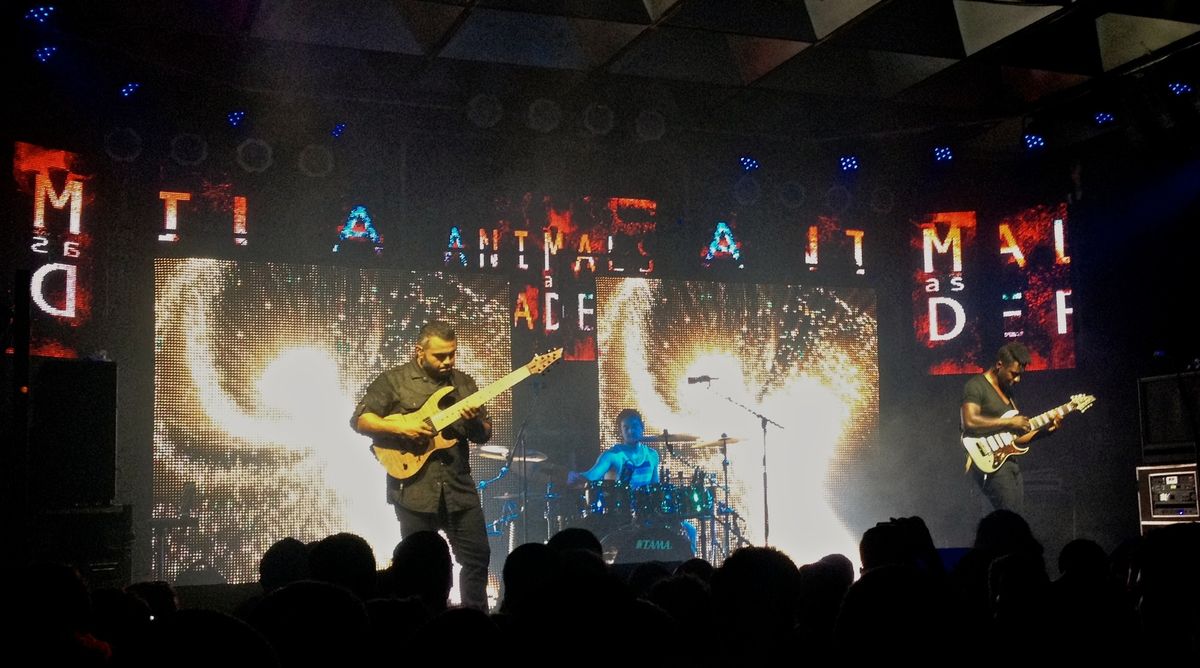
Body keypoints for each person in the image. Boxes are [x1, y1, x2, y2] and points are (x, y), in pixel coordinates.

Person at [351, 320, 492, 610]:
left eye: (452, 354)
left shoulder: (463, 383)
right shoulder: (395, 381)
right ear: (419, 352)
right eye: (440, 356)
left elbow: (483, 434)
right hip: (414, 490)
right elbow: (360, 420)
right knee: (418, 569)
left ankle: (475, 624)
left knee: (477, 559)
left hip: (459, 489)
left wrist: (473, 421)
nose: (448, 361)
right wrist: (401, 430)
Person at [568, 409, 697, 553]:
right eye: (626, 428)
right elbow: (590, 477)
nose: (630, 431)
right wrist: (571, 476)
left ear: (642, 427)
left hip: (647, 513)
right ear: (620, 431)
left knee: (689, 530)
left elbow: (655, 487)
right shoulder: (612, 455)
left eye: (634, 426)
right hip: (619, 514)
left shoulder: (652, 455)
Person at [960, 342, 1060, 514]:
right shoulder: (976, 386)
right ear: (999, 365)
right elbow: (969, 422)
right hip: (992, 464)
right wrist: (1009, 422)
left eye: (1020, 375)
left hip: (1011, 464)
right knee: (1010, 520)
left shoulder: (1009, 394)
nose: (1017, 379)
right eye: (1014, 374)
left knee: (1016, 518)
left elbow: (1016, 437)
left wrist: (1045, 432)